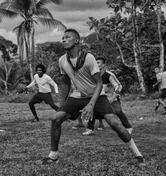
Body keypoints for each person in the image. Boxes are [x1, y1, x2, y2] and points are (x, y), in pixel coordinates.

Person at [39, 29, 144, 165]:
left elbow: (99, 83)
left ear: (77, 41)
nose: (63, 40)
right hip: (76, 96)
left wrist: (91, 105)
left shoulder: (88, 58)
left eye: (67, 37)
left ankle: (138, 154)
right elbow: (65, 83)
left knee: (115, 123)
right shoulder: (62, 60)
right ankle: (53, 156)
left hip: (96, 94)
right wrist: (62, 104)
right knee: (55, 119)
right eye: (62, 38)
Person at [82, 57, 132, 136]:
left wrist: (112, 97)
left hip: (111, 97)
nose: (96, 64)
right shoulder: (93, 75)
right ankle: (90, 129)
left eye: (98, 62)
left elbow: (119, 86)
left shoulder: (109, 75)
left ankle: (128, 127)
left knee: (118, 112)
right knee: (93, 111)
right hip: (99, 97)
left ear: (103, 65)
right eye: (95, 62)